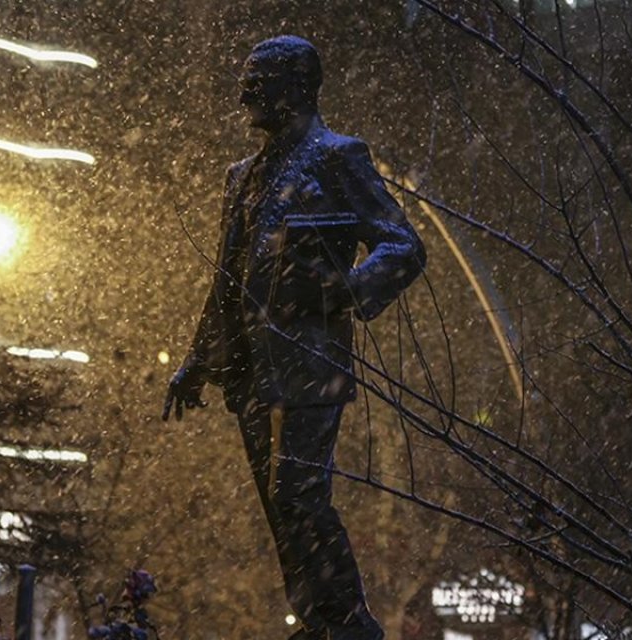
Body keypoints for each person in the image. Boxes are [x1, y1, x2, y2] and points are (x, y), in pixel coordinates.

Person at [163, 35, 426, 640]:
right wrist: (198, 362)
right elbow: (227, 279)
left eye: (258, 79)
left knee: (300, 495)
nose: (243, 93)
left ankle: (350, 625)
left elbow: (404, 246)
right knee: (279, 508)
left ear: (297, 87)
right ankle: (318, 621)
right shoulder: (242, 175)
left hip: (310, 363)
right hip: (253, 368)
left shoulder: (339, 157)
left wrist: (346, 291)